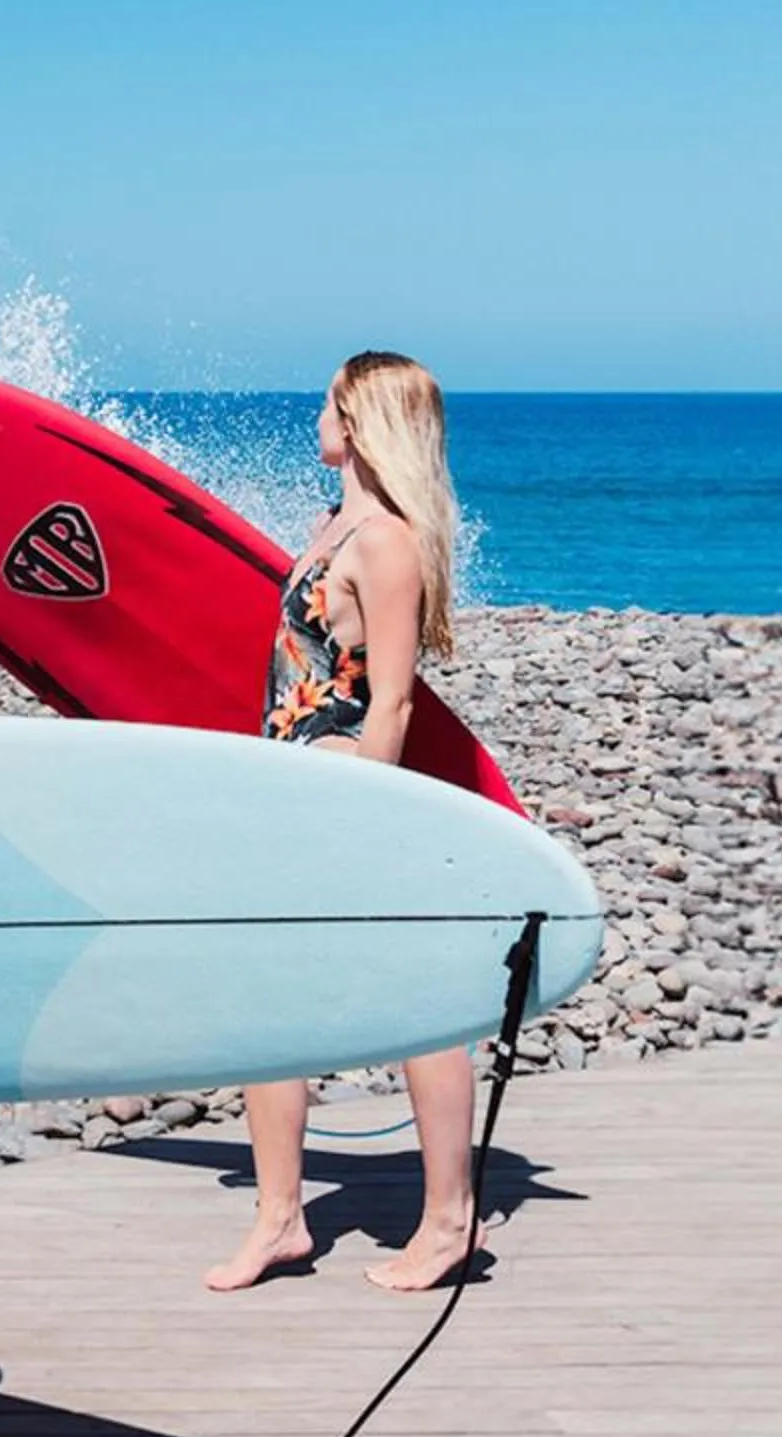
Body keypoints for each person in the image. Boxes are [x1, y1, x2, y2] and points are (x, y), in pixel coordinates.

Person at [205, 351, 478, 1296]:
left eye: (329, 401)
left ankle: (451, 1221)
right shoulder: (334, 525)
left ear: (360, 421)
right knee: (264, 1006)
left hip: (347, 798)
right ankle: (280, 1219)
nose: (316, 414)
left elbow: (392, 700)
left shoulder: (387, 543)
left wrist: (365, 819)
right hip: (294, 794)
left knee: (420, 1004)